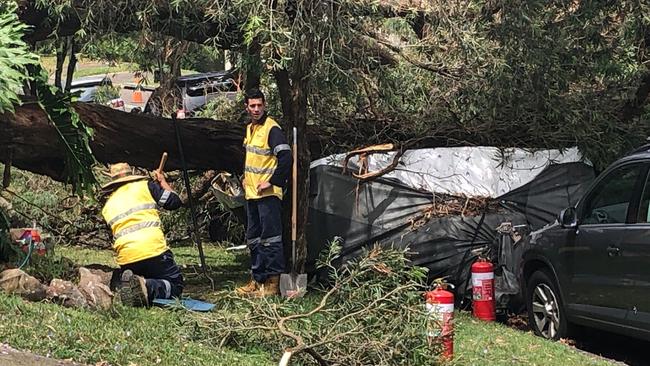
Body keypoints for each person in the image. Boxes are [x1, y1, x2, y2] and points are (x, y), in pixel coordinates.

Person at [100, 162, 184, 306]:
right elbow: (175, 202)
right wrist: (162, 182)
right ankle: (146, 285)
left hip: (127, 258)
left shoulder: (107, 206)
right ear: (131, 174)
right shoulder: (146, 187)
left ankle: (137, 284)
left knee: (145, 276)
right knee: (175, 286)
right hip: (154, 251)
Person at [236, 88, 292, 298]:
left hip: (268, 194)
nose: (256, 109)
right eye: (252, 106)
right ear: (247, 107)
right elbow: (253, 158)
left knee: (271, 239)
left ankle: (273, 283)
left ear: (265, 105)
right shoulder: (250, 129)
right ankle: (257, 279)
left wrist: (272, 181)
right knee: (254, 239)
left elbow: (286, 157)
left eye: (260, 105)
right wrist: (244, 177)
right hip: (251, 193)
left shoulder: (272, 129)